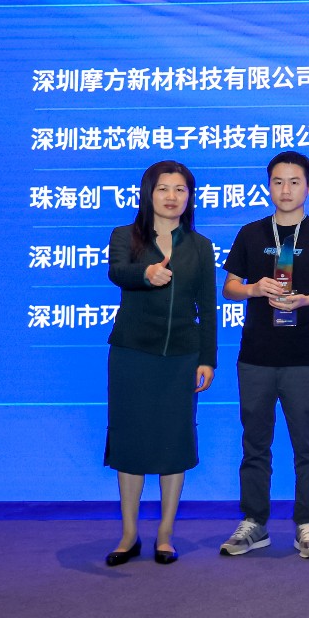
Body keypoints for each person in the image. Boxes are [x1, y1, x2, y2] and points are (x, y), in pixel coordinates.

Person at [219, 152, 309, 559]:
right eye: (278, 182)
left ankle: (307, 524)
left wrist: (308, 299)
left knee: (307, 446)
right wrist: (254, 289)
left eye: (294, 182)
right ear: (268, 187)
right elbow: (229, 287)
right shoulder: (251, 232)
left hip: (305, 357)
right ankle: (254, 522)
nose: (286, 189)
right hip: (256, 356)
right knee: (255, 444)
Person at [103, 160, 216, 566]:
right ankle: (129, 534)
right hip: (132, 354)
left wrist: (208, 359)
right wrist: (145, 274)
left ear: (190, 197)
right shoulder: (125, 236)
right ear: (148, 193)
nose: (172, 197)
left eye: (180, 189)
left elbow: (208, 307)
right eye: (163, 188)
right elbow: (118, 272)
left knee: (174, 442)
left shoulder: (200, 246)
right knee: (130, 443)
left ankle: (165, 535)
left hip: (181, 357)